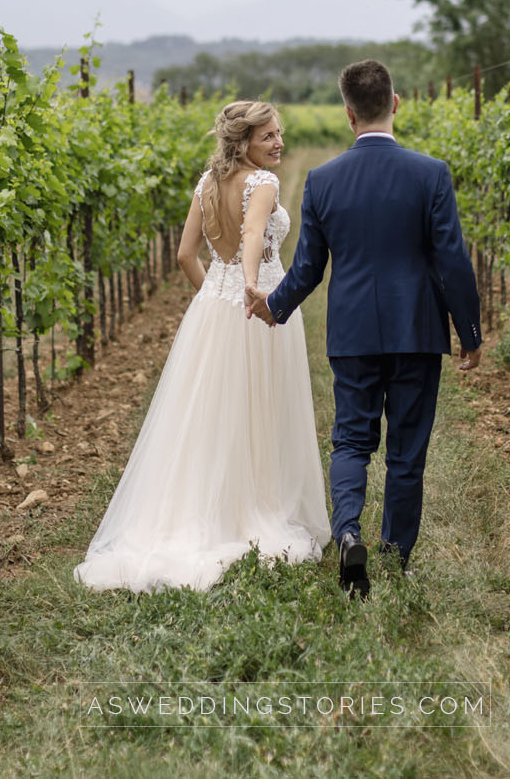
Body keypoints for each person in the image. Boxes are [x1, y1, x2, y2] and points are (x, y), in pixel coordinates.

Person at [247, 59, 483, 599]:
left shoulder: (323, 180)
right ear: (395, 104)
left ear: (348, 113)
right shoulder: (431, 174)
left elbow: (308, 267)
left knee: (350, 441)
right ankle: (396, 560)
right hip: (417, 331)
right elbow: (452, 261)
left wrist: (274, 305)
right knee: (406, 450)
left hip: (352, 330)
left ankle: (349, 531)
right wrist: (468, 332)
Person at [72, 100, 329, 592]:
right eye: (268, 136)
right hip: (259, 306)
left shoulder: (206, 183)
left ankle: (210, 504)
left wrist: (218, 292)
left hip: (214, 308)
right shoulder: (263, 184)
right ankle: (252, 508)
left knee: (213, 412)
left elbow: (187, 255)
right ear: (244, 141)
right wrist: (252, 288)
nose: (279, 143)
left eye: (279, 134)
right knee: (260, 409)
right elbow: (254, 231)